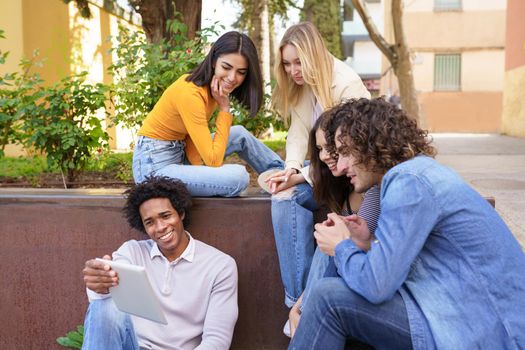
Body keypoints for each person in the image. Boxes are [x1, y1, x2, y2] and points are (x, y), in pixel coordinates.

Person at [289, 98, 525, 349]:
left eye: (346, 152)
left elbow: (377, 286)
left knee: (328, 298)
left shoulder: (409, 182)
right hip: (456, 308)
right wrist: (366, 243)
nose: (342, 164)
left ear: (371, 143)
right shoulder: (415, 174)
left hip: (484, 329)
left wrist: (343, 247)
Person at [262, 22, 371, 308]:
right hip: (321, 170)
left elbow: (355, 151)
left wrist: (301, 177)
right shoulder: (300, 87)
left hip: (351, 175)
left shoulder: (346, 83)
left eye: (298, 62)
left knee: (298, 197)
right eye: (286, 64)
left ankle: (306, 306)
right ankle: (297, 302)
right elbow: (298, 132)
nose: (292, 70)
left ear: (314, 55)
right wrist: (292, 168)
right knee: (283, 197)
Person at [82, 176, 238, 350]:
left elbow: (217, 341)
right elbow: (102, 307)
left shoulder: (220, 265)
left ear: (181, 213)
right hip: (133, 346)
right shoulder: (132, 252)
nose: (160, 227)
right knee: (105, 306)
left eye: (165, 216)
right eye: (150, 222)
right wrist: (100, 283)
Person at [133, 31, 283, 197]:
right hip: (154, 168)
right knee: (239, 178)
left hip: (178, 155)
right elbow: (213, 160)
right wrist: (225, 109)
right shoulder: (191, 94)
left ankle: (282, 174)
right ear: (213, 61)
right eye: (226, 67)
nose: (232, 77)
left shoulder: (211, 89)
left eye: (241, 72)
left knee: (239, 134)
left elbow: (192, 141)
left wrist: (198, 169)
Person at [285, 110, 380, 338]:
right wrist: (299, 304)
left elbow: (349, 246)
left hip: (369, 280)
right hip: (340, 279)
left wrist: (302, 305)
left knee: (333, 234)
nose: (325, 155)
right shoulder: (344, 186)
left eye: (331, 147)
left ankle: (304, 314)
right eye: (319, 149)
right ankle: (302, 311)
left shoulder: (373, 188)